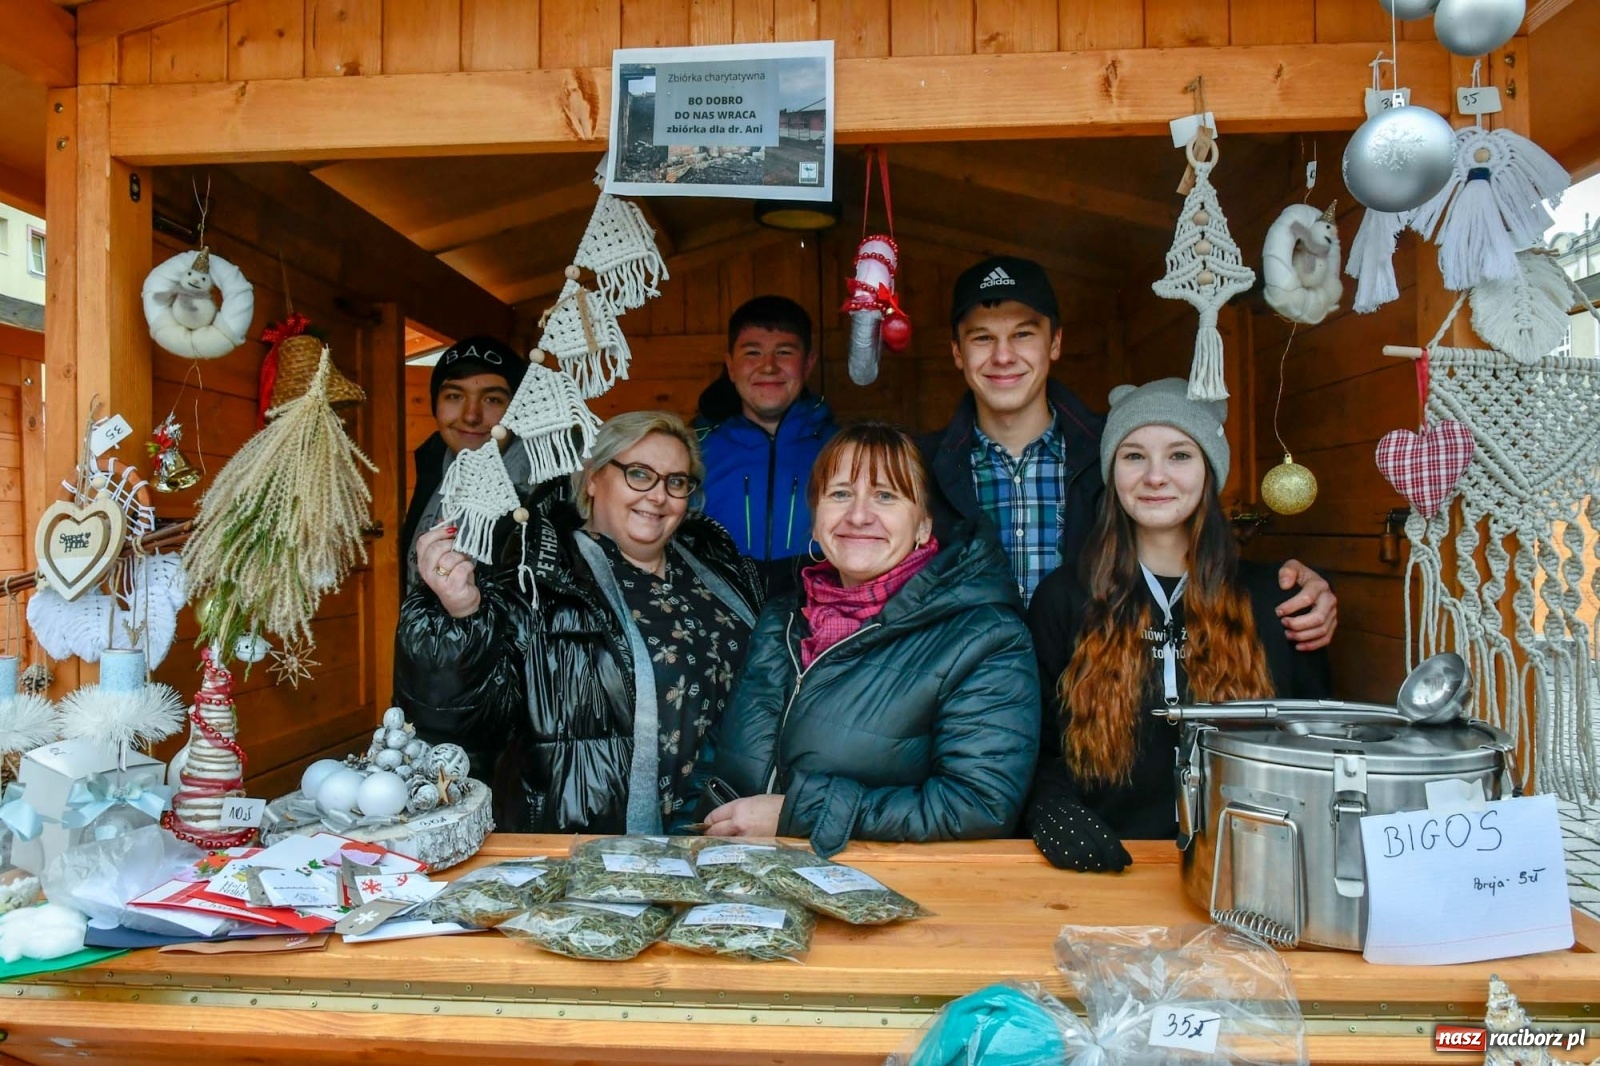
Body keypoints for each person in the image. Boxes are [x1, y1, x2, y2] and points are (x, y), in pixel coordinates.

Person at [918, 255, 1338, 650]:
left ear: (1055, 342)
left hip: (1100, 687)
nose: (1003, 355)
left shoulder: (1124, 449)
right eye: (982, 338)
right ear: (957, 351)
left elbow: (1197, 548)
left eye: (1023, 334)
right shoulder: (916, 466)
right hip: (969, 698)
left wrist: (1293, 585)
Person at [393, 411, 764, 831]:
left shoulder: (717, 560)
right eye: (639, 474)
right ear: (592, 478)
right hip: (596, 838)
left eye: (676, 481)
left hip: (732, 829)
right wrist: (459, 617)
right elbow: (463, 721)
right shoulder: (537, 574)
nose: (659, 496)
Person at [1025, 380, 1332, 872]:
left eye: (1180, 455)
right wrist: (1049, 807)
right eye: (1134, 456)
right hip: (1108, 868)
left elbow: (1315, 744)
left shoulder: (1277, 599)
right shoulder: (1065, 597)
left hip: (1248, 869)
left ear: (1210, 470)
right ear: (1112, 470)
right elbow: (1037, 747)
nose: (1155, 477)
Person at [703, 421, 1040, 857]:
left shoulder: (986, 639)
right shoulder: (783, 619)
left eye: (885, 496)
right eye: (840, 493)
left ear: (923, 525)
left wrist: (797, 814)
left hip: (885, 901)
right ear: (816, 518)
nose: (859, 515)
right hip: (749, 893)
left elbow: (977, 805)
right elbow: (721, 756)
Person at [696, 295, 838, 600]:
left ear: (808, 363)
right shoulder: (693, 448)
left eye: (784, 352)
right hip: (719, 614)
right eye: (752, 352)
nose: (768, 366)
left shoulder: (841, 448)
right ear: (731, 366)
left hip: (818, 617)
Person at [399, 334, 529, 593]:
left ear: (517, 410)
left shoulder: (545, 493)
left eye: (492, 399)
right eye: (454, 396)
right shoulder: (435, 462)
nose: (471, 416)